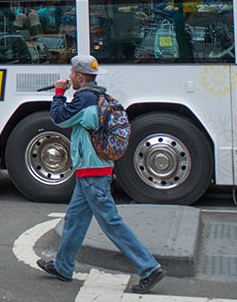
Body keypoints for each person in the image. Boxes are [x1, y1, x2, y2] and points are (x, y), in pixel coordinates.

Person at [36, 55, 165, 295]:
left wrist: (58, 93)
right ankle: (63, 266)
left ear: (80, 77)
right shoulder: (99, 96)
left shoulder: (84, 98)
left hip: (93, 172)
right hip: (92, 170)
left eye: (73, 74)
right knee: (74, 219)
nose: (71, 77)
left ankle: (149, 268)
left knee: (111, 222)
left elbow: (58, 118)